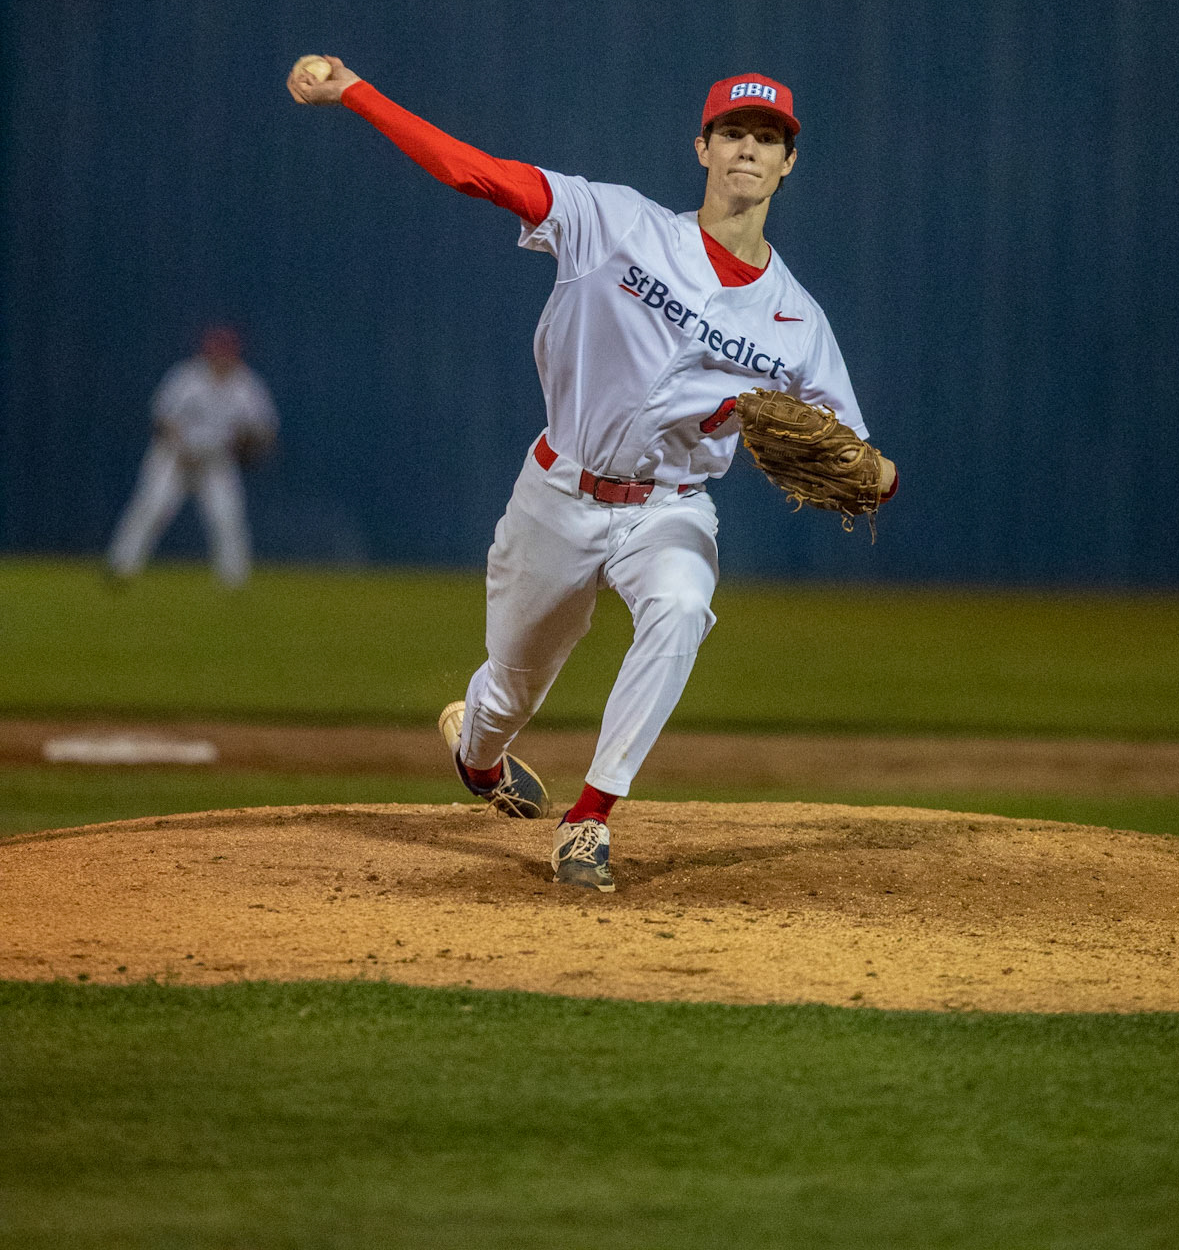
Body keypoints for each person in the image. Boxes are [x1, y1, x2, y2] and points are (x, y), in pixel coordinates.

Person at [287, 57, 895, 891]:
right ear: (702, 148)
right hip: (558, 493)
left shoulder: (797, 320)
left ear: (788, 162)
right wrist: (355, 92)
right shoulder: (614, 223)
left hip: (670, 508)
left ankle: (590, 820)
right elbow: (473, 172)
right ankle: (479, 761)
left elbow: (858, 457)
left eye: (767, 139)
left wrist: (879, 476)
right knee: (506, 694)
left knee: (683, 605)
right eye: (733, 134)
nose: (748, 150)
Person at [106, 327, 279, 589]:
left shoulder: (246, 384)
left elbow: (265, 429)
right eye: (217, 353)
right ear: (207, 353)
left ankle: (234, 580)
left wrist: (252, 442)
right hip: (175, 457)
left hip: (216, 461)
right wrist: (182, 449)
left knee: (226, 516)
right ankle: (121, 566)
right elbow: (163, 419)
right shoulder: (187, 376)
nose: (222, 359)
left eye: (227, 354)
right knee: (151, 508)